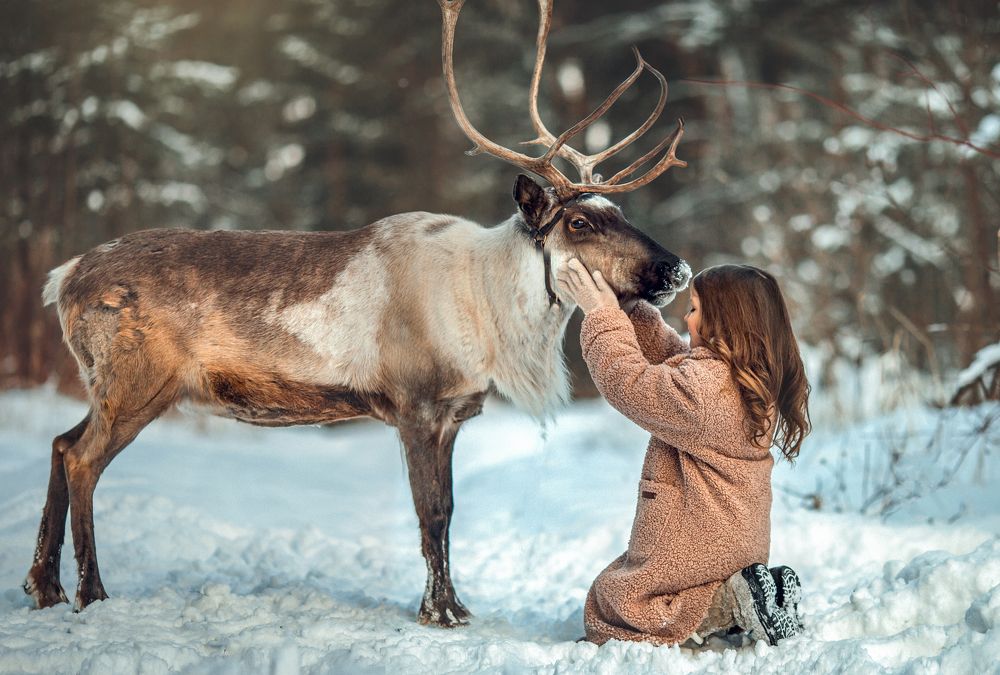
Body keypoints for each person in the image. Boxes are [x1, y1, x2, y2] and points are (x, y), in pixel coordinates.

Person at [556, 259, 811, 647]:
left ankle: (727, 604)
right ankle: (750, 593)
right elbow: (672, 361)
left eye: (694, 310)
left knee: (620, 603)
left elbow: (630, 381)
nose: (686, 318)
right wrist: (628, 307)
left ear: (723, 324)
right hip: (735, 541)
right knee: (660, 593)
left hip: (695, 543)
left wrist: (601, 315)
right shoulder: (744, 378)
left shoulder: (702, 393)